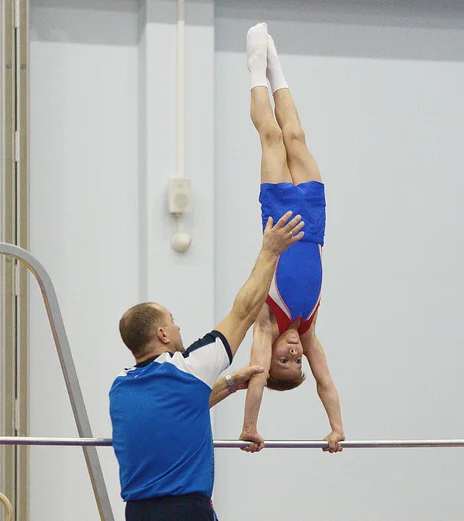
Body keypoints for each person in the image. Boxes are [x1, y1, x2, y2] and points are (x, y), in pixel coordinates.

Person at [109, 210, 305, 521]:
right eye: (172, 323)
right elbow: (243, 312)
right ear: (161, 334)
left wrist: (229, 384)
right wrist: (271, 250)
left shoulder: (121, 387)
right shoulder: (188, 369)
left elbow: (174, 411)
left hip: (138, 513)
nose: (178, 328)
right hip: (186, 510)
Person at [238, 23, 345, 454]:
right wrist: (336, 428)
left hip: (281, 219)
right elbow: (327, 383)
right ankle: (276, 62)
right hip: (315, 226)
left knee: (272, 137)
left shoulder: (266, 325)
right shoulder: (310, 329)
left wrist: (250, 425)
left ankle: (255, 68)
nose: (295, 353)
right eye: (295, 361)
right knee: (296, 135)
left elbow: (256, 374)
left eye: (285, 359)